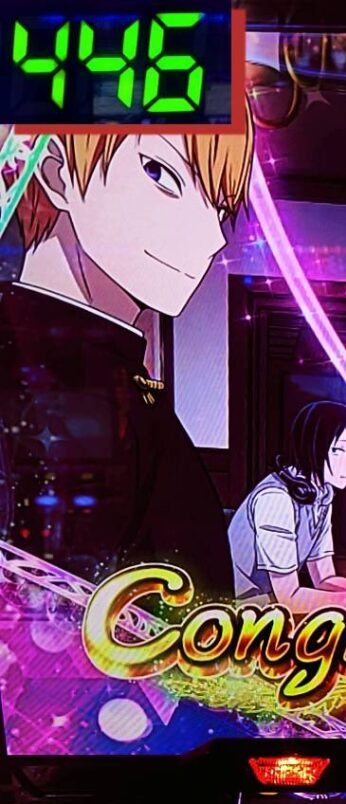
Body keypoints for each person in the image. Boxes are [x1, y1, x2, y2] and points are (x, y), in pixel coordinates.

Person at [0, 121, 253, 594]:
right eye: (159, 173)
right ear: (56, 171)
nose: (212, 238)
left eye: (218, 207)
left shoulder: (126, 386)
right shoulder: (55, 379)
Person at [229, 401, 346, 612]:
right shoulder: (275, 498)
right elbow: (289, 599)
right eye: (337, 450)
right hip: (241, 611)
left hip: (273, 609)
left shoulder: (322, 493)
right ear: (312, 446)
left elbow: (325, 578)